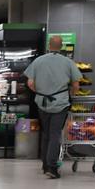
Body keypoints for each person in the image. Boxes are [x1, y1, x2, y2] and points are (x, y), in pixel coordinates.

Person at [24, 35, 82, 179]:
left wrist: (41, 91)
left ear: (49, 45)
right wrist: (73, 95)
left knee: (46, 134)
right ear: (61, 46)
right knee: (55, 134)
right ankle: (52, 166)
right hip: (60, 102)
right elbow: (76, 85)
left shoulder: (38, 61)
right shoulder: (68, 62)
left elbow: (30, 83)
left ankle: (45, 165)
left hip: (42, 102)